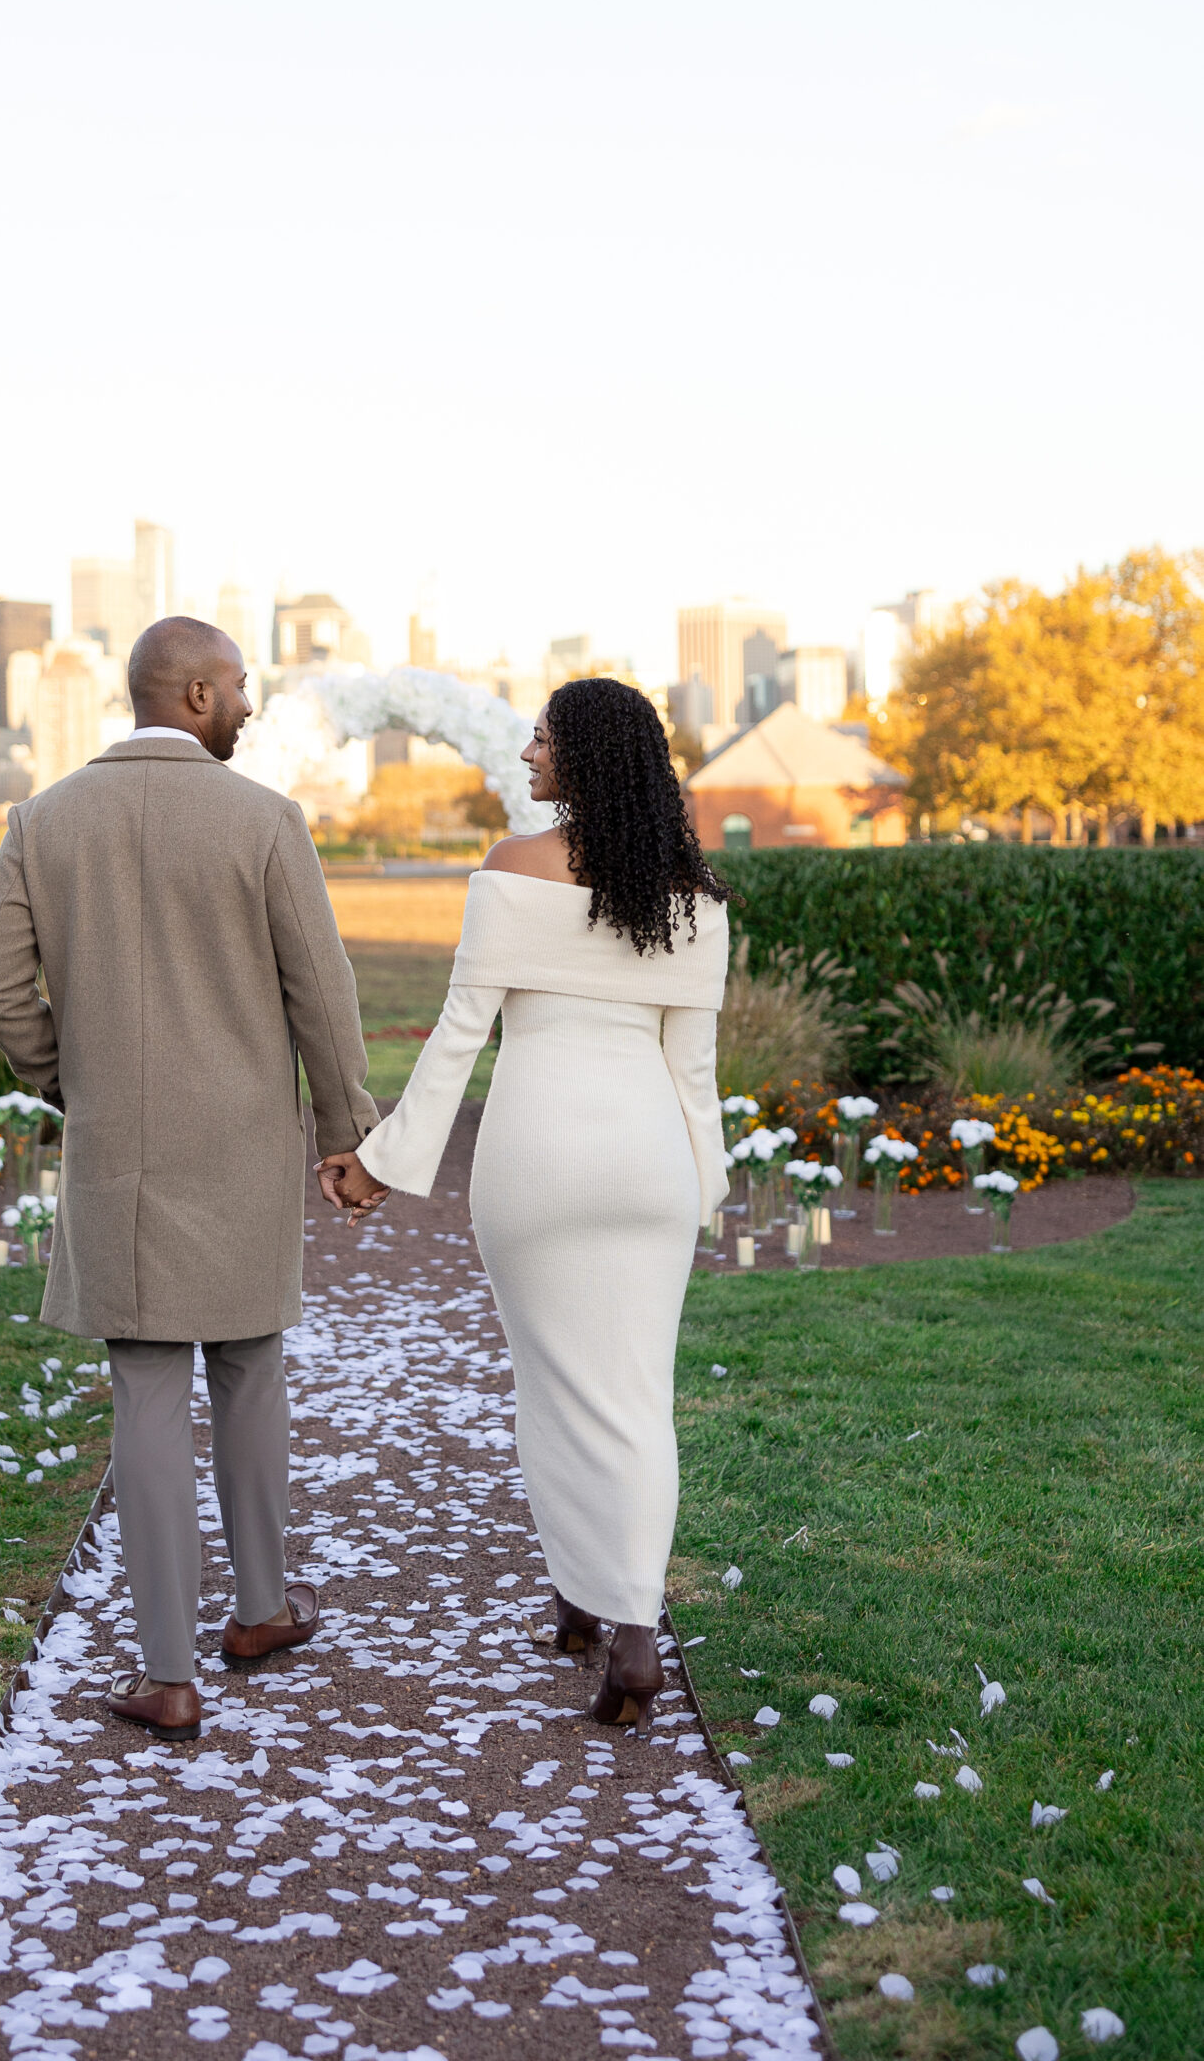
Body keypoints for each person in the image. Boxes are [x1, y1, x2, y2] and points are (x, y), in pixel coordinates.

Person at [0, 616, 378, 1739]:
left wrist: (70, 1080)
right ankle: (261, 1610)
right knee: (250, 1370)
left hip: (122, 1155)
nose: (247, 702)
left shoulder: (42, 820)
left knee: (145, 1392)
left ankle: (167, 1674)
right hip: (243, 1150)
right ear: (194, 694)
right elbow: (322, 993)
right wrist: (349, 1131)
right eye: (237, 685)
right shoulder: (264, 819)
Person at [319, 679, 729, 1730]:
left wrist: (379, 1160)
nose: (526, 753)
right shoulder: (692, 896)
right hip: (650, 1166)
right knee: (635, 1393)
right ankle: (616, 1619)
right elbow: (693, 1074)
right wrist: (707, 1189)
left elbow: (460, 1035)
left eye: (542, 738)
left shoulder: (510, 869)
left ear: (582, 756)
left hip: (537, 1160)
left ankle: (596, 1610)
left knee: (550, 1384)